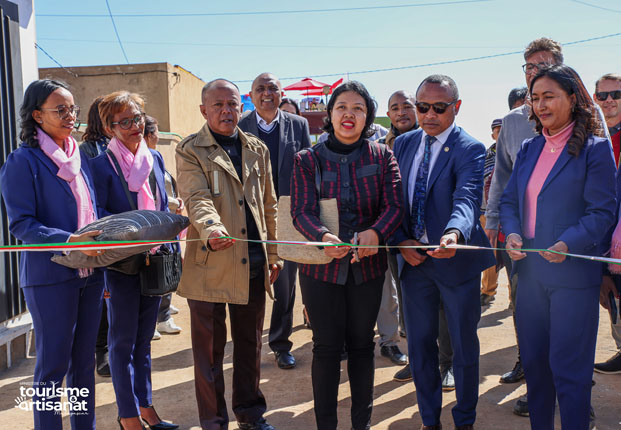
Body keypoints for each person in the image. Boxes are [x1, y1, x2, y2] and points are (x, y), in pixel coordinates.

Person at [500, 64, 616, 430]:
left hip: (572, 277)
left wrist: (569, 242)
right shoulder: (529, 148)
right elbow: (508, 202)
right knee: (535, 368)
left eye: (549, 96)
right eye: (535, 98)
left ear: (572, 98)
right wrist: (513, 233)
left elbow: (602, 212)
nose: (540, 105)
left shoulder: (595, 150)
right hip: (530, 274)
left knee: (570, 372)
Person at [290, 81, 404, 430]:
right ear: (330, 114)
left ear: (368, 115)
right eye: (342, 107)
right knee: (325, 348)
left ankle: (361, 424)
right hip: (321, 271)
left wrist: (376, 232)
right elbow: (300, 211)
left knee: (360, 347)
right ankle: (326, 425)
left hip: (367, 269)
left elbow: (395, 205)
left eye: (358, 108)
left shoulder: (382, 156)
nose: (349, 114)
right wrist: (322, 236)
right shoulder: (307, 159)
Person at [390, 74, 495, 430]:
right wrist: (402, 240)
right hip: (414, 264)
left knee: (464, 349)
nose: (429, 114)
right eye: (422, 107)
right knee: (420, 348)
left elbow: (467, 198)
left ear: (457, 107)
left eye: (439, 107)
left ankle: (464, 420)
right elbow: (394, 200)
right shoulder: (402, 145)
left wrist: (453, 233)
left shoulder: (471, 148)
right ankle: (429, 420)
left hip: (455, 264)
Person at [176, 79, 281, 430]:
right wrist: (211, 228)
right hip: (209, 263)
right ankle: (214, 421)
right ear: (203, 110)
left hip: (251, 264)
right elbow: (196, 197)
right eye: (218, 104)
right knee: (209, 355)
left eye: (233, 104)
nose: (226, 111)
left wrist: (274, 254)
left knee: (250, 347)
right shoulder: (190, 149)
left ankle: (251, 414)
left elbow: (269, 205)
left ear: (242, 107)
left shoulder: (256, 148)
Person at [0, 79, 104, 429]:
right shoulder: (22, 161)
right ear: (36, 115)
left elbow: (94, 210)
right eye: (60, 109)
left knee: (83, 363)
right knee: (52, 366)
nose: (70, 115)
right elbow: (22, 224)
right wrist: (71, 240)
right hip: (50, 277)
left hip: (90, 274)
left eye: (72, 108)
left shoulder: (81, 156)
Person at [90, 92, 179, 430]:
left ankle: (147, 407)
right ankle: (127, 414)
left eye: (138, 117)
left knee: (144, 341)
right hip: (121, 266)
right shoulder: (98, 166)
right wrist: (135, 226)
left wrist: (169, 214)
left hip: (154, 263)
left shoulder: (155, 157)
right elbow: (96, 216)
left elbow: (161, 201)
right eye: (124, 121)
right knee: (122, 342)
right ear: (109, 127)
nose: (134, 126)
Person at [484, 38, 565, 408]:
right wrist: (494, 218)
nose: (534, 73)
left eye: (542, 65)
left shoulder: (586, 112)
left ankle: (575, 393)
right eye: (528, 68)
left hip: (568, 241)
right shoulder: (515, 122)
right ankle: (532, 378)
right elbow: (502, 176)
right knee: (526, 310)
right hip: (521, 238)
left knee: (568, 320)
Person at [239, 72, 311, 370]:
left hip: (287, 219)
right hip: (248, 218)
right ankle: (248, 347)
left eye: (272, 88)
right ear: (252, 95)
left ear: (281, 94)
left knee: (284, 287)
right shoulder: (239, 125)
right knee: (247, 285)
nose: (267, 93)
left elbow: (308, 168)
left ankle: (281, 344)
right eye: (261, 89)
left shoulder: (298, 125)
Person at [79, 96, 113, 378]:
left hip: (122, 232)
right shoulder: (87, 150)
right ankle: (101, 353)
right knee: (103, 297)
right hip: (100, 232)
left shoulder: (122, 144)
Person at [142, 115, 183, 340]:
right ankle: (158, 318)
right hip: (153, 228)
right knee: (155, 273)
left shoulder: (156, 158)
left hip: (167, 225)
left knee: (167, 269)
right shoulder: (140, 162)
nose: (158, 136)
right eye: (156, 131)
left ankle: (164, 314)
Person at [593, 73, 621, 374]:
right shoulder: (593, 139)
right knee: (613, 301)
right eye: (602, 96)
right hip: (603, 242)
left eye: (616, 94)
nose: (609, 101)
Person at [480, 118, 503, 306]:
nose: (501, 134)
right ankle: (488, 290)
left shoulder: (515, 154)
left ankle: (515, 295)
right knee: (489, 253)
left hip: (508, 214)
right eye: (497, 131)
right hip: (485, 212)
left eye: (504, 130)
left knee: (513, 254)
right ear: (492, 135)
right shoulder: (485, 156)